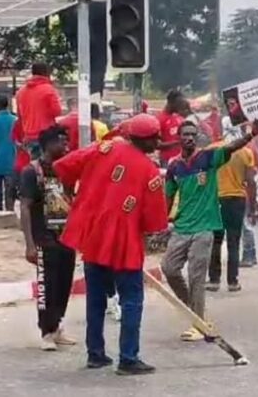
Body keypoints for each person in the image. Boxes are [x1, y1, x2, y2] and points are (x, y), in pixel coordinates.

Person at [53, 116, 168, 375]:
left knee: (95, 298)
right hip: (124, 242)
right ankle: (128, 358)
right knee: (132, 299)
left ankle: (96, 354)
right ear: (145, 138)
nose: (158, 141)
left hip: (93, 236)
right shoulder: (150, 172)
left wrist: (77, 195)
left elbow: (64, 165)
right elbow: (154, 222)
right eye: (155, 137)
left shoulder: (105, 147)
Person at [163, 120, 258, 342]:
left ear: (196, 138)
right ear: (179, 138)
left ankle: (197, 324)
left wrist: (249, 136)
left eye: (192, 134)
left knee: (196, 276)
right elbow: (168, 196)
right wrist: (163, 221)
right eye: (184, 134)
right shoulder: (174, 166)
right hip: (182, 227)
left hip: (205, 227)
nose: (188, 138)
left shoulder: (207, 158)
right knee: (168, 268)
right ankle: (195, 311)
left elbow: (230, 147)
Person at [19, 125, 76, 351]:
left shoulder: (67, 169)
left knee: (64, 284)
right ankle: (46, 331)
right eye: (61, 141)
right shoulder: (31, 172)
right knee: (47, 287)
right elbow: (25, 207)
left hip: (66, 237)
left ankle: (57, 325)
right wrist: (30, 244)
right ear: (47, 145)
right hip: (44, 238)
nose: (65, 146)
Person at [206, 121, 257, 293]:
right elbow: (250, 181)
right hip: (237, 200)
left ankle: (214, 280)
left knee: (216, 240)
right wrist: (254, 206)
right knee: (234, 241)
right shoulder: (246, 152)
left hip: (216, 200)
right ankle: (232, 281)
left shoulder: (212, 149)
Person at [15, 63, 62, 159]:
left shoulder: (21, 92)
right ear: (46, 73)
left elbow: (19, 115)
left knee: (33, 165)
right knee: (47, 166)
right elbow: (57, 111)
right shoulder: (48, 89)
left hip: (28, 135)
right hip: (47, 136)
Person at [156, 89, 186, 166]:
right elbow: (156, 145)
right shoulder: (160, 119)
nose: (181, 106)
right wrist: (177, 142)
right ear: (172, 103)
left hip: (181, 160)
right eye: (179, 103)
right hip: (168, 161)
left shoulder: (178, 117)